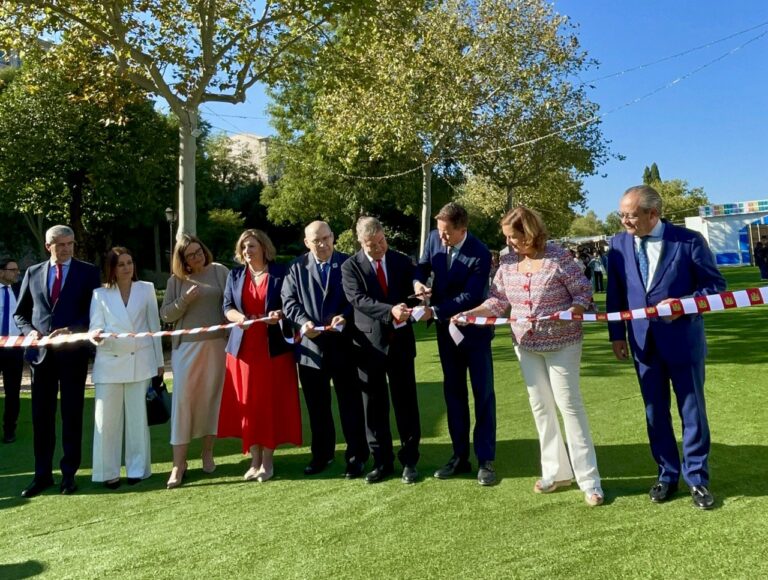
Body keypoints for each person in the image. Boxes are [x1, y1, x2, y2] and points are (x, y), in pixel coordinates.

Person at [455, 207, 604, 506]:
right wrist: (471, 313)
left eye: (513, 236)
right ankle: (555, 472)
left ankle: (590, 481)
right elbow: (498, 301)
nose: (508, 243)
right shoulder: (508, 262)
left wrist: (572, 311)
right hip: (525, 344)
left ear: (530, 233)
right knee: (540, 407)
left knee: (569, 406)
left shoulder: (558, 257)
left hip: (563, 343)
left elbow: (583, 293)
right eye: (507, 237)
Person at [606, 185, 726, 510]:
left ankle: (697, 478)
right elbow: (615, 294)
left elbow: (715, 287)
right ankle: (666, 474)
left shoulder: (689, 241)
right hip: (642, 342)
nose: (624, 221)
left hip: (683, 340)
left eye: (631, 216)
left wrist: (683, 304)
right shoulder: (617, 245)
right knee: (654, 411)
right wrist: (616, 335)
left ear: (653, 213)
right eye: (621, 214)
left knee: (692, 410)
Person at [413, 202, 497, 486]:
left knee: (483, 394)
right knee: (453, 393)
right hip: (445, 334)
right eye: (439, 231)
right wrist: (418, 284)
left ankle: (485, 459)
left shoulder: (480, 253)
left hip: (475, 334)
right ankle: (459, 456)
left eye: (447, 232)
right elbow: (422, 266)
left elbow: (471, 297)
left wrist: (435, 310)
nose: (441, 237)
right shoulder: (434, 238)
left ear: (463, 229)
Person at [14, 225, 101, 497]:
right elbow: (20, 314)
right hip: (41, 357)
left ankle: (69, 475)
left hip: (73, 354)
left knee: (72, 415)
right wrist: (30, 333)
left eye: (70, 244)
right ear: (48, 246)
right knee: (41, 417)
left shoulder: (88, 272)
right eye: (60, 244)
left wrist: (72, 330)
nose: (66, 249)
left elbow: (95, 313)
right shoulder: (33, 272)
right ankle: (42, 475)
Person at [282, 221, 368, 478]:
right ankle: (322, 455)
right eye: (316, 240)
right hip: (311, 350)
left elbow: (357, 297)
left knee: (351, 405)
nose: (322, 244)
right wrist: (302, 322)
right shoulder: (296, 267)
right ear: (306, 243)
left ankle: (356, 457)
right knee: (317, 408)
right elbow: (288, 301)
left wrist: (345, 316)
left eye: (326, 238)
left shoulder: (349, 263)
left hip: (345, 347)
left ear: (333, 237)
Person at [341, 217, 421, 484]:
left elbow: (413, 286)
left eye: (382, 241)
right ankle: (382, 461)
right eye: (372, 245)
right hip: (368, 347)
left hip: (401, 344)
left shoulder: (400, 260)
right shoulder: (350, 267)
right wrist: (390, 311)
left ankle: (410, 460)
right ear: (361, 242)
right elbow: (358, 299)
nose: (379, 248)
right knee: (374, 407)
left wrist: (418, 292)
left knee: (406, 403)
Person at [217, 229, 301, 482]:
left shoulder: (281, 273)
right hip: (242, 351)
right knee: (248, 404)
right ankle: (254, 459)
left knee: (268, 404)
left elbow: (290, 303)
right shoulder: (235, 275)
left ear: (264, 247)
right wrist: (239, 318)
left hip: (272, 350)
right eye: (243, 247)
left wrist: (279, 314)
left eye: (252, 246)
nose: (247, 251)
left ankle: (267, 461)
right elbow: (227, 307)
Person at [89, 247, 164, 489]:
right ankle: (107, 472)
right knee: (106, 421)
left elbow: (154, 326)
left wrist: (159, 362)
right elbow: (95, 327)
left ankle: (138, 469)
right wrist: (96, 336)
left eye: (129, 263)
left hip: (140, 362)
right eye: (121, 264)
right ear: (112, 268)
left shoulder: (146, 289)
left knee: (137, 420)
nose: (127, 268)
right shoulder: (100, 294)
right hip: (109, 363)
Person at [160, 234, 228, 489]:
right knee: (183, 402)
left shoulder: (220, 271)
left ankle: (207, 453)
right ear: (182, 260)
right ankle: (178, 464)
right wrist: (184, 300)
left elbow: (230, 302)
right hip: (186, 348)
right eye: (191, 255)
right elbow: (166, 314)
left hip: (217, 345)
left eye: (199, 252)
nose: (197, 257)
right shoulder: (176, 281)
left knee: (212, 399)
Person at [1, 257, 23, 443]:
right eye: (12, 270)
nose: (17, 273)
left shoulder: (20, 290)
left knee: (13, 392)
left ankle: (10, 429)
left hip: (14, 348)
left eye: (17, 269)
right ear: (1, 272)